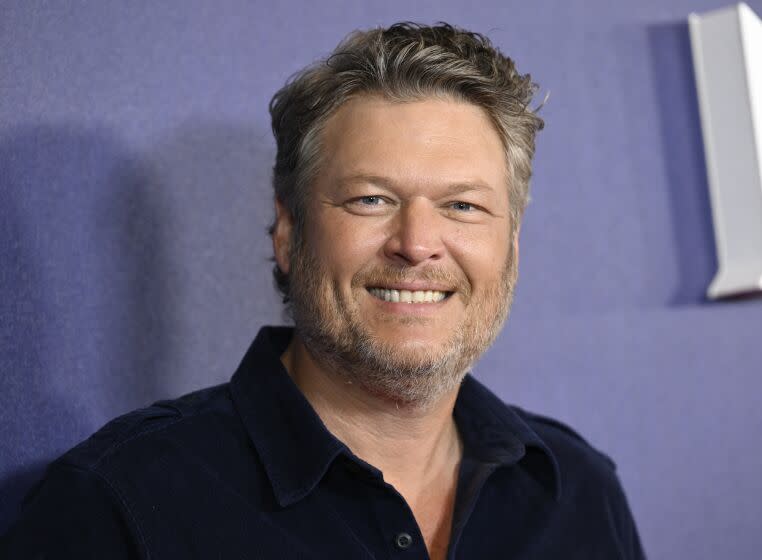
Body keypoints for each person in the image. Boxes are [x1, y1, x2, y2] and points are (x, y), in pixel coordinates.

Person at [0, 22, 645, 559]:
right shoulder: (118, 505)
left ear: (512, 244)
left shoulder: (581, 491)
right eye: (372, 199)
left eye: (463, 206)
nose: (417, 243)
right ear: (289, 232)